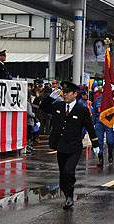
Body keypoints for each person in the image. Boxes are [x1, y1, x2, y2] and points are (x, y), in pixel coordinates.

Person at [39, 81, 98, 210]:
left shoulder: (82, 109)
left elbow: (89, 127)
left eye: (67, 92)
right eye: (63, 92)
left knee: (68, 171)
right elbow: (43, 107)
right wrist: (50, 98)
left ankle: (70, 197)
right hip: (61, 146)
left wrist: (95, 143)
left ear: (75, 94)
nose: (64, 95)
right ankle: (67, 193)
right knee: (62, 176)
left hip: (74, 147)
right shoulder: (59, 105)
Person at [92, 95, 114, 167]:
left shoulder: (112, 100)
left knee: (110, 141)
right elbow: (94, 113)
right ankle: (100, 158)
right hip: (99, 122)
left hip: (108, 121)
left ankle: (110, 152)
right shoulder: (97, 100)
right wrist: (93, 123)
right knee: (99, 141)